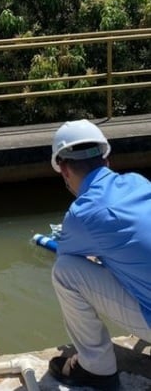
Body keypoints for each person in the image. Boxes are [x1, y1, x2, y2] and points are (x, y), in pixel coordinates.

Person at [47, 119, 151, 391]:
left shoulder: (81, 214)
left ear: (65, 170)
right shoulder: (137, 182)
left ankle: (96, 369)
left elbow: (70, 259)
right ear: (106, 158)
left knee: (66, 272)